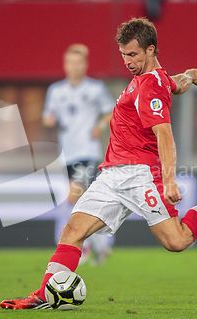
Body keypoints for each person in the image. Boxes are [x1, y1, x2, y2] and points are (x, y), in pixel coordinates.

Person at [0, 17, 197, 309]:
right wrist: (189, 75)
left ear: (151, 50)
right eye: (123, 54)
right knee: (72, 232)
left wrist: (168, 180)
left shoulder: (149, 87)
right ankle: (42, 295)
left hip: (141, 176)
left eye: (133, 54)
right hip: (111, 175)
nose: (127, 61)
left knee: (176, 241)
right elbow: (174, 84)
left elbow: (164, 133)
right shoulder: (153, 79)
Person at [42, 43, 114, 265]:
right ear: (65, 65)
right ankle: (102, 245)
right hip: (68, 153)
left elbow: (111, 111)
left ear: (85, 65)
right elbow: (47, 116)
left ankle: (83, 246)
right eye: (70, 62)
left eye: (78, 62)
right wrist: (49, 120)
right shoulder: (56, 91)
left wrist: (99, 127)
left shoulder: (94, 88)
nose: (74, 66)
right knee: (82, 200)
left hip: (88, 151)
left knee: (75, 195)